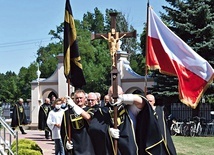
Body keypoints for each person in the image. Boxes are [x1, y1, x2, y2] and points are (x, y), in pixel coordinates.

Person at [88, 85, 146, 155]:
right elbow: (93, 128)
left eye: (118, 95)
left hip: (128, 149)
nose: (115, 97)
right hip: (109, 150)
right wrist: (107, 131)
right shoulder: (101, 111)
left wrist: (124, 98)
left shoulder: (129, 109)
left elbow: (142, 103)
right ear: (108, 96)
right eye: (112, 95)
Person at [60, 90, 95, 155]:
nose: (79, 100)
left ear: (85, 99)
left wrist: (73, 106)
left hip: (88, 145)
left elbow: (88, 117)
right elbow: (63, 130)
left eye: (81, 98)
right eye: (77, 98)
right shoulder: (67, 113)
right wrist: (66, 142)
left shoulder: (91, 110)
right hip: (74, 146)